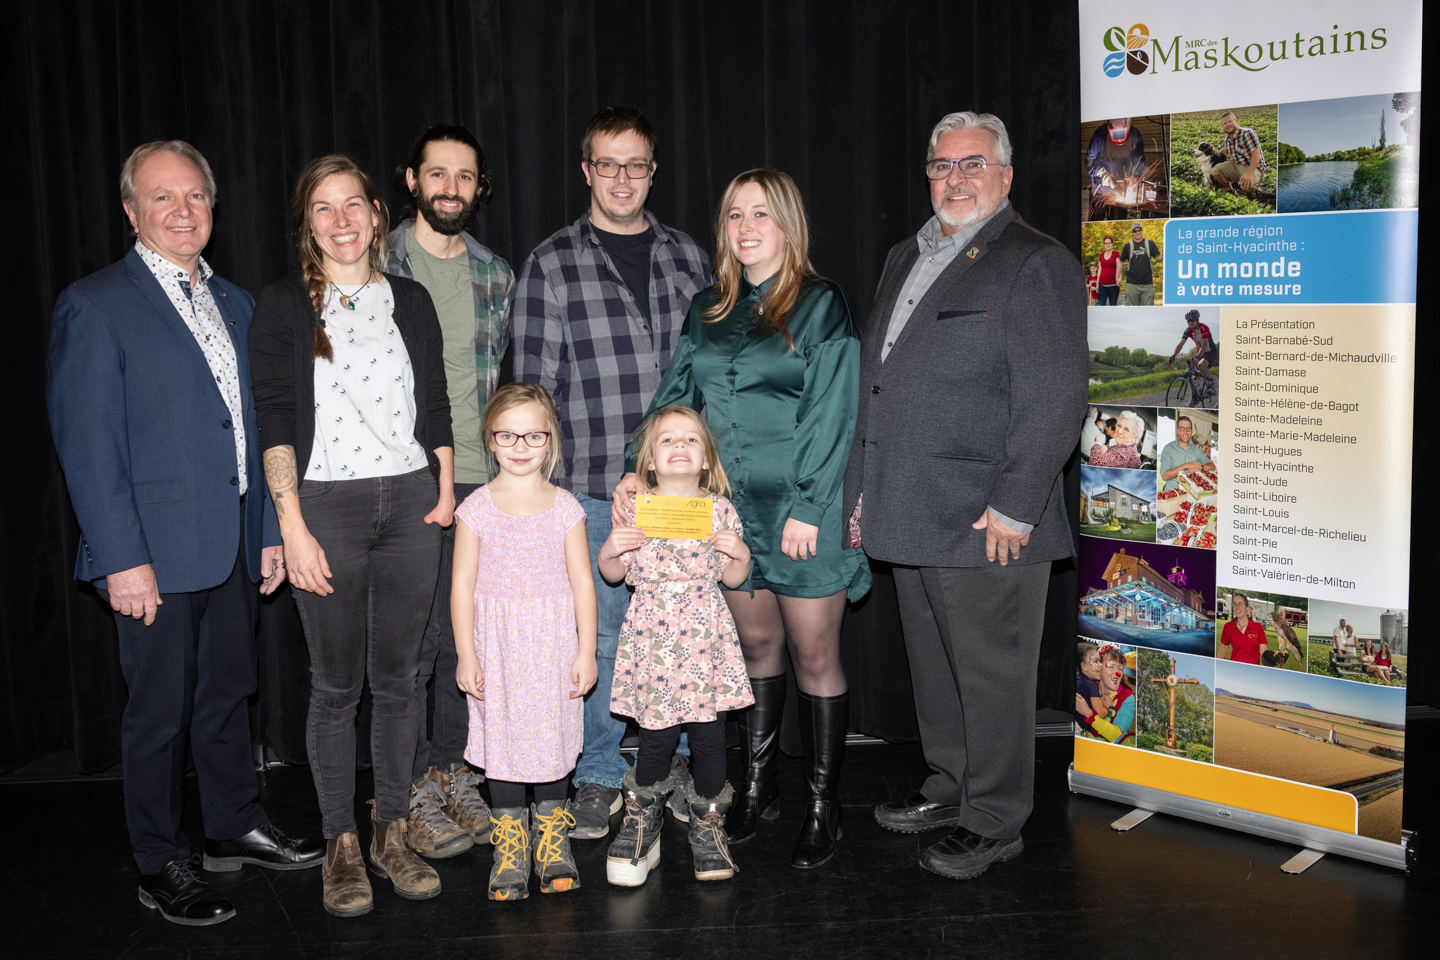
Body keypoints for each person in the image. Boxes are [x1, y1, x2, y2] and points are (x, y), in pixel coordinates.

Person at [46, 140, 324, 927]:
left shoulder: (237, 302)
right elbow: (87, 448)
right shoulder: (94, 305)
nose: (182, 211)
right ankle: (159, 858)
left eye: (195, 196)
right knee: (158, 715)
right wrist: (121, 559)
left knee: (230, 695)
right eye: (162, 198)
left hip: (233, 543)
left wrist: (269, 526)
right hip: (153, 559)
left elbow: (262, 424)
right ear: (131, 211)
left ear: (213, 206)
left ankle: (233, 823)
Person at [845, 111, 1088, 881]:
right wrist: (862, 492)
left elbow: (1056, 396)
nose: (955, 179)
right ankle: (952, 787)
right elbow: (877, 383)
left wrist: (1017, 504)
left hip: (987, 518)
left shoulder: (1034, 261)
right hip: (910, 507)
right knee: (937, 671)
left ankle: (994, 818)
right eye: (942, 166)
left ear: (1005, 176)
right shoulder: (903, 256)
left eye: (972, 164)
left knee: (991, 678)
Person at [612, 168, 870, 870]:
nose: (747, 227)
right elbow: (676, 398)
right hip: (726, 516)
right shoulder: (707, 309)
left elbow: (834, 410)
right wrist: (636, 469)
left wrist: (811, 505)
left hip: (799, 511)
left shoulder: (821, 305)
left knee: (815, 655)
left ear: (788, 224)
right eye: (734, 215)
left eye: (762, 214)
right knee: (755, 654)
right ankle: (757, 788)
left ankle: (823, 805)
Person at [249, 154, 454, 917]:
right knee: (336, 689)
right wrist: (291, 524)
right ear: (307, 224)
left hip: (408, 505)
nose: (340, 222)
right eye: (322, 209)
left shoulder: (410, 298)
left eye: (352, 205)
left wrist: (442, 487)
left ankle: (390, 830)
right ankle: (340, 840)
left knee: (401, 682)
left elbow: (434, 404)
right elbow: (274, 417)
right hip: (324, 507)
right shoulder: (281, 306)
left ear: (376, 212)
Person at [511, 106, 714, 838]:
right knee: (598, 643)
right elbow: (533, 392)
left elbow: (711, 381)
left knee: (685, 630)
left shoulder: (691, 258)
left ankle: (680, 766)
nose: (622, 178)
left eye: (636, 165)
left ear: (652, 172)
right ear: (586, 170)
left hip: (684, 496)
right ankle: (597, 775)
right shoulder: (551, 264)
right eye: (607, 164)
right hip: (595, 490)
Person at [386, 123, 515, 856]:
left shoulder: (497, 274)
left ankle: (448, 773)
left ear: (479, 187)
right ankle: (402, 788)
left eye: (464, 177)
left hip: (478, 477)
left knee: (462, 633)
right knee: (411, 642)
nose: (450, 189)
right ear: (412, 180)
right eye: (437, 174)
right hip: (398, 476)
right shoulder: (371, 261)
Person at [450, 382, 597, 900]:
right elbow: (462, 585)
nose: (519, 446)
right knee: (506, 743)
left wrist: (585, 650)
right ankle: (510, 844)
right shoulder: (476, 507)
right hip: (499, 648)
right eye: (507, 435)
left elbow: (582, 581)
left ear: (550, 439)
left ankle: (553, 840)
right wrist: (467, 653)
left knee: (552, 739)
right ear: (490, 440)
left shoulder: (565, 507)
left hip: (553, 643)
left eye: (533, 435)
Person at [600, 406, 754, 885]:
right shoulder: (636, 508)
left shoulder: (721, 510)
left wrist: (739, 553)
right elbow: (613, 574)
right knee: (656, 735)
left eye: (691, 439)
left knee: (710, 736)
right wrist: (609, 549)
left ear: (707, 459)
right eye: (667, 440)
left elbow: (734, 577)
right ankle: (643, 822)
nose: (680, 446)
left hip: (705, 639)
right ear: (649, 460)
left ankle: (709, 826)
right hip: (654, 642)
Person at [1074, 646, 1134, 744]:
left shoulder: (1127, 697)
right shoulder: (1088, 684)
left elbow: (1116, 735)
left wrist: (1089, 714)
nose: (1118, 672)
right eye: (1111, 666)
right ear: (1099, 668)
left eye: (1120, 668)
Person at [1086, 119, 1146, 201]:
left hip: (1125, 191)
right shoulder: (1099, 135)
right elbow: (1089, 161)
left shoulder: (1135, 134)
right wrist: (1102, 174)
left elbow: (1140, 162)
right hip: (1102, 191)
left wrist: (1134, 178)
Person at [1213, 111, 1267, 195]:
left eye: (1230, 121)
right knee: (1216, 170)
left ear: (1236, 121)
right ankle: (1229, 189)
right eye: (1225, 123)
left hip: (1253, 167)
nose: (1227, 124)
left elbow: (1256, 155)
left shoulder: (1247, 133)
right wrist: (1209, 154)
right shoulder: (1227, 140)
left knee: (1246, 186)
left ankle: (1252, 194)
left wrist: (1248, 174)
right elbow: (1224, 151)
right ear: (1222, 126)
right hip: (1237, 165)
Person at [1159, 415, 1215, 491]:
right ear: (1177, 431)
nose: (1185, 432)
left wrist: (1201, 468)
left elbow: (1212, 466)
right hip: (1173, 493)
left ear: (1191, 431)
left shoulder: (1196, 450)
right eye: (1182, 428)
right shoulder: (1168, 448)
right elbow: (1165, 476)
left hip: (1192, 495)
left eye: (1188, 428)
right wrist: (1186, 466)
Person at [1169, 310, 1218, 386]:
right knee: (1191, 376)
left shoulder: (1204, 328)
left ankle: (1210, 381)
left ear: (1198, 320)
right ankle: (1195, 396)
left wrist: (1197, 358)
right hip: (1200, 352)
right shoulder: (1188, 331)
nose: (1190, 323)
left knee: (1200, 365)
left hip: (1210, 352)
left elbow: (1204, 345)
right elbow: (1180, 344)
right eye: (1188, 321)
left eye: (1193, 320)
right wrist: (1173, 355)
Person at [1220, 593, 1267, 664]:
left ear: (1247, 607)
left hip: (1253, 671)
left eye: (1240, 604)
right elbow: (1224, 647)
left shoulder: (1258, 627)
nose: (1237, 607)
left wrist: (1272, 658)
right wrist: (1215, 665)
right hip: (1234, 670)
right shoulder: (1228, 626)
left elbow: (1263, 650)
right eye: (1234, 604)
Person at [1120, 222, 1160, 305]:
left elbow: (1158, 258)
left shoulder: (1150, 243)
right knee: (1131, 312)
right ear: (1132, 233)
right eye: (1135, 231)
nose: (1137, 233)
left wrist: (1163, 255)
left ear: (1142, 230)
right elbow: (1121, 261)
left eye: (1139, 230)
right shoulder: (1127, 246)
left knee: (1148, 312)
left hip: (1147, 284)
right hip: (1132, 284)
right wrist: (1118, 276)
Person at [1074, 642, 1104, 730]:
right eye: (1096, 661)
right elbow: (1101, 713)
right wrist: (1106, 706)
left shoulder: (1078, 677)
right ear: (1084, 666)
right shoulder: (1091, 685)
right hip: (1079, 728)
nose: (1101, 665)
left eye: (1100, 661)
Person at [1096, 235, 1120, 306]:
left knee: (1113, 307)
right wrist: (1097, 284)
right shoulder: (1101, 255)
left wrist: (1119, 278)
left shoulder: (1116, 254)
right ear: (1104, 245)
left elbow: (1119, 267)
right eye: (1106, 243)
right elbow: (1100, 270)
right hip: (1102, 286)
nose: (1108, 245)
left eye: (1109, 243)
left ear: (1112, 244)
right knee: (1102, 307)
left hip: (1113, 286)